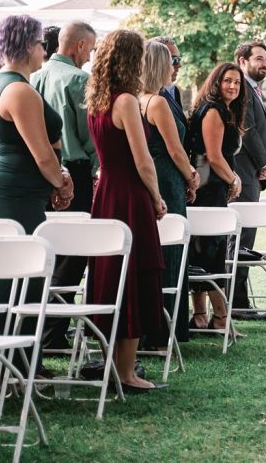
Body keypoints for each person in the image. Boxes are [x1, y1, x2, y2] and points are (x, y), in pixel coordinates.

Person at [0, 14, 73, 377]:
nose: (43, 50)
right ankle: (9, 363)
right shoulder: (18, 89)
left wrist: (54, 180)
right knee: (18, 277)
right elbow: (42, 153)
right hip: (13, 191)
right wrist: (61, 180)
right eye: (39, 43)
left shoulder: (11, 83)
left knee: (23, 277)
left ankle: (16, 361)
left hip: (21, 191)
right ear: (25, 45)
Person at [86, 29, 167, 392]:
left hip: (106, 194)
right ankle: (126, 371)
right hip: (130, 195)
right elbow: (143, 159)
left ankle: (114, 363)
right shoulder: (126, 102)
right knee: (133, 275)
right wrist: (157, 196)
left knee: (111, 275)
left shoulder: (96, 101)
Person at [31, 20, 97, 350]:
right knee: (73, 255)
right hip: (76, 171)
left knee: (48, 251)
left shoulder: (33, 78)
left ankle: (42, 326)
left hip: (40, 173)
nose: (91, 56)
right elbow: (90, 134)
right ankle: (53, 333)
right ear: (80, 45)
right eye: (91, 48)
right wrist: (96, 166)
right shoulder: (80, 79)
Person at [139, 38, 198, 348]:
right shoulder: (158, 102)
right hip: (168, 180)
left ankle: (148, 328)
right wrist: (191, 176)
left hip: (149, 179)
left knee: (152, 253)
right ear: (158, 65)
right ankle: (163, 330)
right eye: (172, 62)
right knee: (170, 252)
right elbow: (175, 150)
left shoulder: (134, 99)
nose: (177, 67)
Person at [188, 62, 246, 334]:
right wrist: (234, 179)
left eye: (237, 82)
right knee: (211, 252)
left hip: (206, 189)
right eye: (227, 81)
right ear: (216, 82)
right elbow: (213, 157)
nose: (233, 86)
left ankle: (200, 316)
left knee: (201, 250)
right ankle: (220, 318)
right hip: (208, 191)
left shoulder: (221, 109)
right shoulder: (214, 111)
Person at [231, 40, 266, 320]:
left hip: (253, 174)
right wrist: (264, 162)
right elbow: (247, 130)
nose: (264, 64)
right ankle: (237, 305)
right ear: (242, 60)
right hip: (244, 174)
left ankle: (238, 302)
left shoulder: (253, 89)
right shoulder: (242, 89)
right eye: (259, 59)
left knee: (244, 240)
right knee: (241, 241)